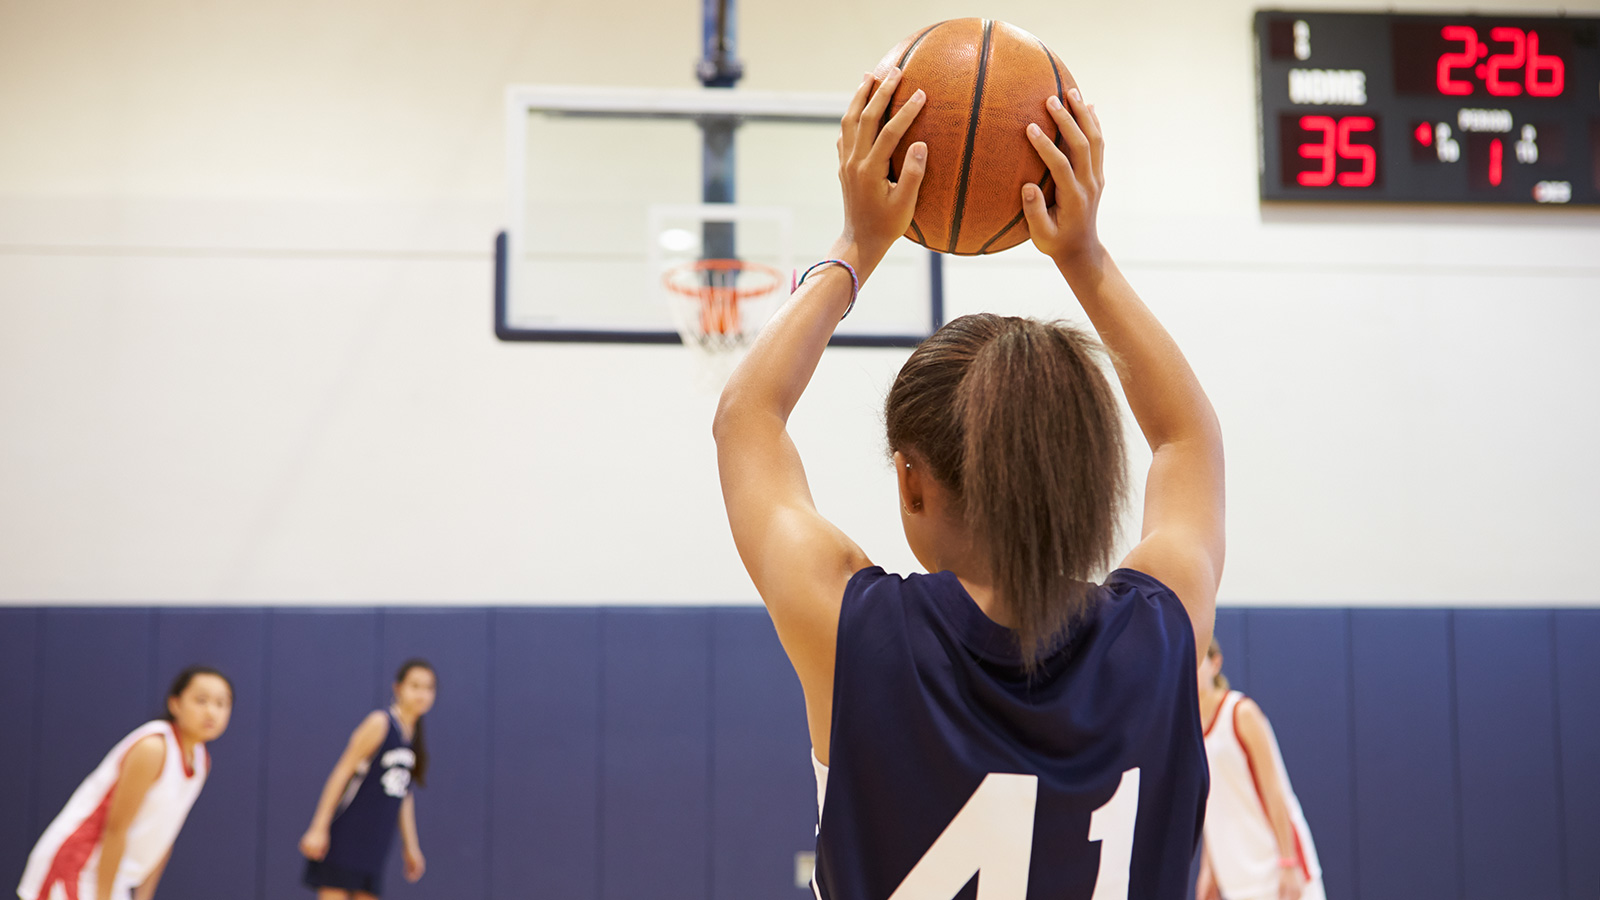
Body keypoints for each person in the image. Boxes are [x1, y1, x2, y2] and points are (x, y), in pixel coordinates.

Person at [713, 66, 1225, 900]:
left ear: (913, 483)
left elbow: (747, 417)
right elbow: (1187, 438)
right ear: (1086, 472)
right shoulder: (1163, 632)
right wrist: (1084, 255)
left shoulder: (851, 631)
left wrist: (858, 244)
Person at [17, 666, 233, 900]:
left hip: (112, 877)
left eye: (221, 703)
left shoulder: (201, 761)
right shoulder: (154, 748)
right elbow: (116, 828)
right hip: (76, 865)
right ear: (175, 704)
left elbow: (163, 837)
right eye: (201, 700)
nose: (211, 712)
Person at [1195, 639, 1324, 900]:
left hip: (1275, 863)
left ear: (1215, 663)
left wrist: (1288, 862)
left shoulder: (1241, 712)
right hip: (1236, 873)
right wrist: (1209, 869)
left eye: (1197, 661)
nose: (1189, 669)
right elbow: (1214, 805)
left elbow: (1275, 791)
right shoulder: (1188, 728)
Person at [299, 660, 435, 900]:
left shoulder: (412, 736)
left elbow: (403, 794)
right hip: (347, 833)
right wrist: (319, 827)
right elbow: (342, 771)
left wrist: (411, 847)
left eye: (428, 688)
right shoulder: (380, 723)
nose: (422, 694)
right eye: (415, 686)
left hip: (376, 842)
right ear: (398, 688)